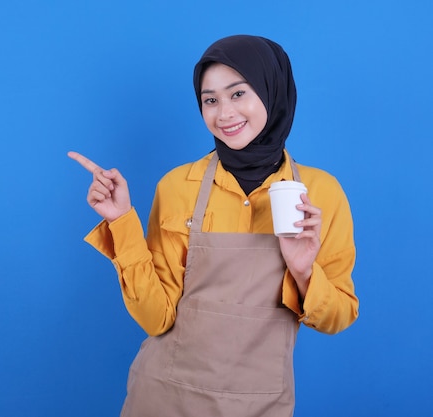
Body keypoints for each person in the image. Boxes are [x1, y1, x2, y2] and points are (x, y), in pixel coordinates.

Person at [68, 34, 358, 417]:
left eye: (238, 94)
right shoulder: (177, 186)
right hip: (163, 398)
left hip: (260, 403)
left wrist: (304, 273)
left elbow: (338, 317)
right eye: (210, 100)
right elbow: (156, 318)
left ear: (273, 91)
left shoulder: (319, 194)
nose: (224, 114)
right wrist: (121, 220)